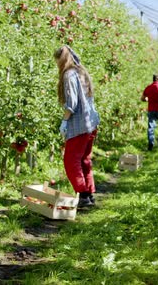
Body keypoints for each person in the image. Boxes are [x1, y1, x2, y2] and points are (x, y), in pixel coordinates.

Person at [54, 45, 100, 208]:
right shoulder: (81, 71)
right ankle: (89, 193)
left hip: (79, 125)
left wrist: (64, 121)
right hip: (91, 123)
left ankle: (83, 195)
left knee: (71, 160)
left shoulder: (68, 75)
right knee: (84, 159)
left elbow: (71, 103)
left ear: (61, 60)